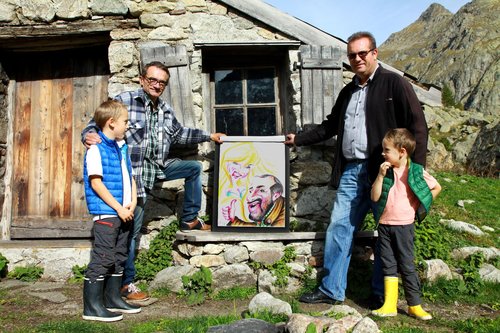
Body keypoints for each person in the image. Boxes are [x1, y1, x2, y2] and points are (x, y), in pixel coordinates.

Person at [285, 31, 428, 306]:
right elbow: (329, 126)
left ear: (374, 53)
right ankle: (331, 290)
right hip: (352, 171)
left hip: (384, 173)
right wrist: (298, 139)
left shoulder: (395, 84)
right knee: (339, 227)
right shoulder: (348, 91)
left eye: (363, 53)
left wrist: (415, 171)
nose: (357, 58)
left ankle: (380, 293)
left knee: (386, 233)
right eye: (352, 55)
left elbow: (418, 127)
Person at [82, 61, 225, 301]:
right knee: (130, 231)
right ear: (142, 79)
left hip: (158, 167)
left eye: (162, 82)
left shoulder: (165, 110)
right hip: (134, 175)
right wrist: (88, 136)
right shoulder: (124, 101)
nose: (157, 85)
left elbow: (179, 134)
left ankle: (189, 219)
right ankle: (124, 284)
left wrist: (209, 135)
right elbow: (95, 123)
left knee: (192, 168)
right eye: (153, 80)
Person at [371, 128, 441, 320]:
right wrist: (379, 176)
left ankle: (414, 305)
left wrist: (419, 207)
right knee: (388, 264)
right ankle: (390, 305)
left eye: (387, 150)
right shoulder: (385, 171)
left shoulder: (416, 171)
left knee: (407, 265)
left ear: (402, 151)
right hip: (384, 225)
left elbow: (436, 187)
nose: (383, 153)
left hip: (404, 226)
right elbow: (375, 197)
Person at [82, 100, 141, 321]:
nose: (128, 125)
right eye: (125, 121)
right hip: (108, 213)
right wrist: (118, 208)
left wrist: (132, 202)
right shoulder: (96, 150)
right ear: (111, 122)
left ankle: (112, 298)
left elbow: (129, 176)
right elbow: (96, 183)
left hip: (124, 211)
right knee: (103, 258)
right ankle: (92, 307)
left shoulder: (120, 147)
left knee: (119, 256)